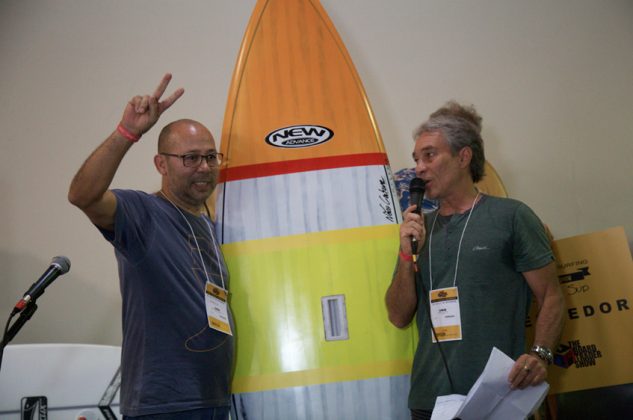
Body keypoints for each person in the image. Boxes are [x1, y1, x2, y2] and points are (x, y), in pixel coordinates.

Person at [68, 74, 234, 419]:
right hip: (163, 406)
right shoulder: (143, 213)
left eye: (210, 157)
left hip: (214, 401)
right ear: (161, 164)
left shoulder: (210, 223)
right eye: (190, 158)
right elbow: (82, 196)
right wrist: (128, 133)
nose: (204, 167)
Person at [385, 101, 564, 419]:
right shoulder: (419, 229)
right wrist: (404, 253)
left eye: (429, 155)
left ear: (463, 157)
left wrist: (540, 354)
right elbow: (398, 316)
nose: (419, 168)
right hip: (429, 401)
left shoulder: (511, 216)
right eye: (416, 159)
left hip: (496, 397)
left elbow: (551, 296)